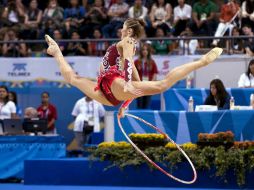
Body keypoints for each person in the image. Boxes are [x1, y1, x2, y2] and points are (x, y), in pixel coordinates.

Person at [45, 18, 223, 118]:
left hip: (112, 86)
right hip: (110, 90)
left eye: (123, 28)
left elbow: (130, 62)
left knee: (162, 85)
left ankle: (202, 62)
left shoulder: (128, 41)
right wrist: (126, 102)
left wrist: (127, 87)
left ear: (129, 32)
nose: (120, 30)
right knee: (72, 79)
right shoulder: (125, 43)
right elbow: (134, 75)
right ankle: (56, 52)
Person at [134, 43, 158, 109]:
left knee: (146, 104)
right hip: (139, 86)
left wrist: (151, 84)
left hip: (148, 86)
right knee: (140, 104)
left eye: (146, 50)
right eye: (143, 50)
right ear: (141, 52)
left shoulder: (152, 62)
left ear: (148, 52)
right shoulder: (137, 62)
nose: (145, 51)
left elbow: (155, 73)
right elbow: (133, 73)